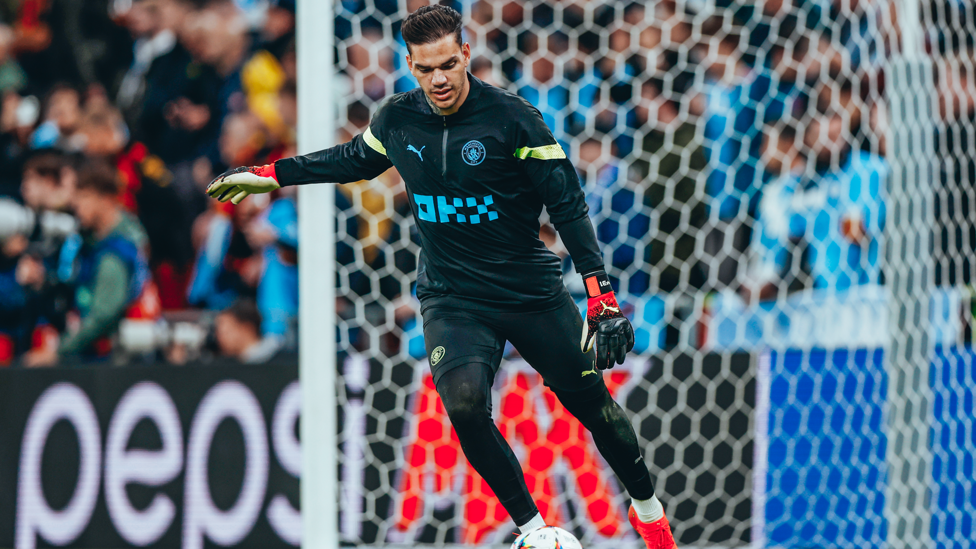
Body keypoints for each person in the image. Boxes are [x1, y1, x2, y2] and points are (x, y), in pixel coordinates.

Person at [205, 6, 677, 548]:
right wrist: (273, 175)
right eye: (426, 69)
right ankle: (534, 532)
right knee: (464, 405)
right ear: (410, 65)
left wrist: (601, 295)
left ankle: (649, 515)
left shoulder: (512, 118)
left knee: (594, 406)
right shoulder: (398, 119)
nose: (440, 79)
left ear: (466, 55)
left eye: (449, 64)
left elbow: (567, 205)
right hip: (453, 299)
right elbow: (353, 160)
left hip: (529, 291)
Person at [23, 159, 150, 366]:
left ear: (107, 199)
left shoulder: (116, 251)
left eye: (83, 196)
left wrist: (58, 352)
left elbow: (103, 316)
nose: (76, 204)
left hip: (116, 363)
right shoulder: (88, 243)